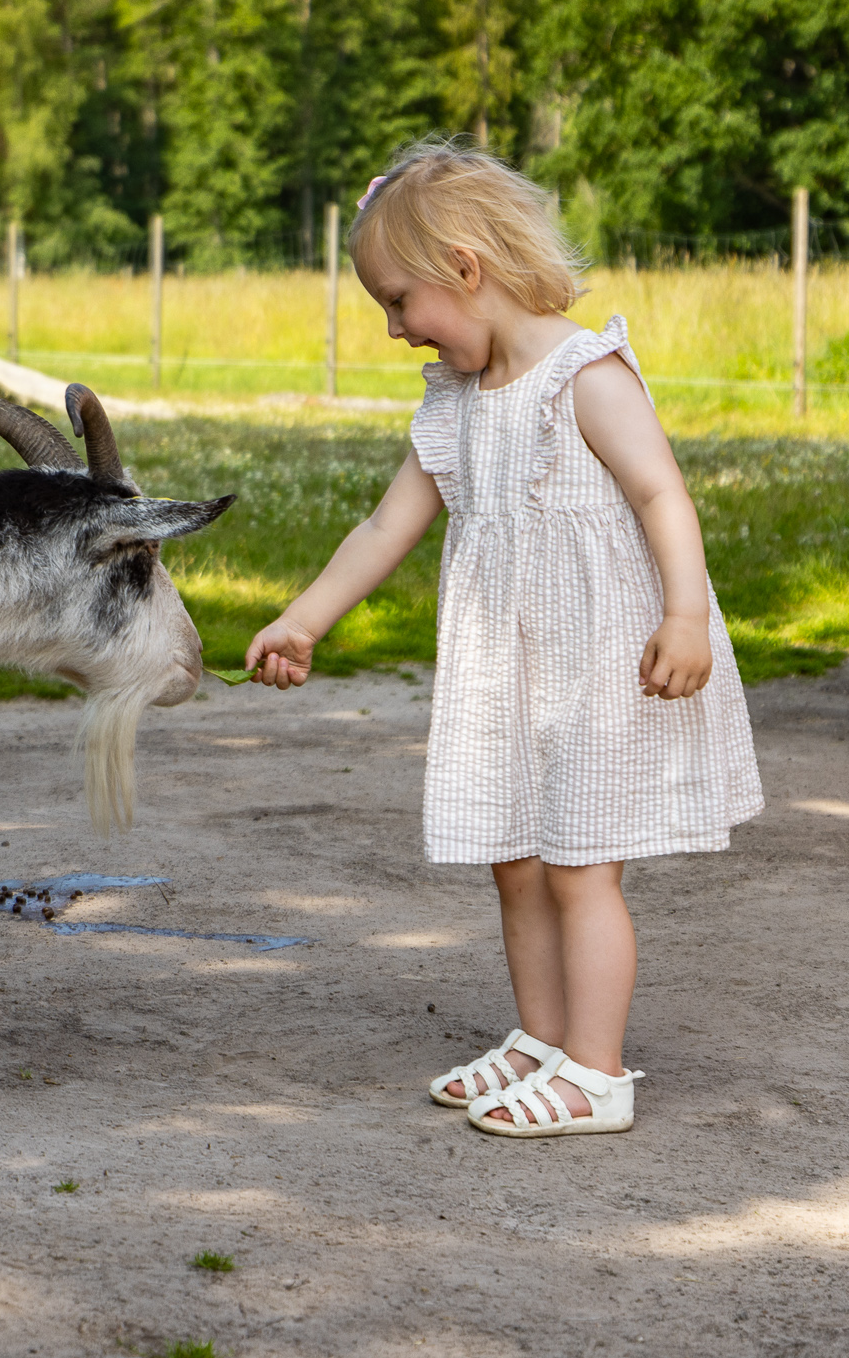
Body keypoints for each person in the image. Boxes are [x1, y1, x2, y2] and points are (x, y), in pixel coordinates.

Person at [244, 140, 763, 1137]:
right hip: (508, 671)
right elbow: (385, 526)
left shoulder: (587, 376)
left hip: (602, 666)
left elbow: (663, 495)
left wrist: (686, 615)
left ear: (465, 270)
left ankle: (598, 1074)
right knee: (514, 858)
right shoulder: (454, 401)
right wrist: (305, 617)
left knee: (580, 866)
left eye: (399, 302)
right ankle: (542, 1042)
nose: (395, 330)